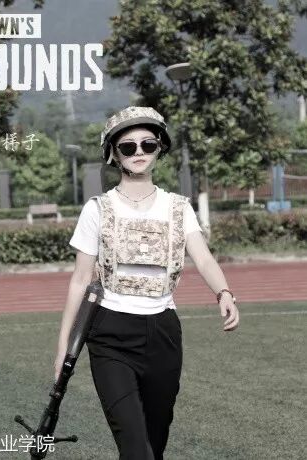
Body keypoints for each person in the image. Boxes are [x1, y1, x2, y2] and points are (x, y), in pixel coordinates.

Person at [55, 106, 239, 460]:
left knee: (155, 444)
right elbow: (80, 280)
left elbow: (202, 258)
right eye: (128, 146)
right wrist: (64, 344)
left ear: (159, 148)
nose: (138, 152)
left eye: (148, 144)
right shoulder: (97, 208)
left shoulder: (178, 207)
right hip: (109, 334)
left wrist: (224, 292)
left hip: (162, 333)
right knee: (135, 448)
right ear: (113, 153)